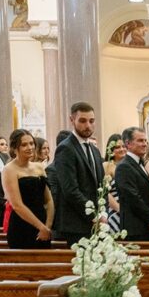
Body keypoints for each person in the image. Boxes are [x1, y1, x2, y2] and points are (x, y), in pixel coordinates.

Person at [54, 102, 105, 246]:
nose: (88, 125)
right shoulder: (65, 148)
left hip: (96, 222)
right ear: (72, 120)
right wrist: (93, 215)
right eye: (82, 121)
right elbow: (70, 190)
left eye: (91, 121)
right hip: (76, 223)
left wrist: (102, 213)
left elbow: (101, 186)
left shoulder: (94, 150)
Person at [2, 129, 54, 249]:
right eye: (24, 145)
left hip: (43, 224)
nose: (30, 147)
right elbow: (17, 205)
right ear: (15, 148)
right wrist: (40, 227)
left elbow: (49, 200)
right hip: (21, 225)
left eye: (31, 143)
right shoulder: (9, 169)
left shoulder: (39, 167)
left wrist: (47, 226)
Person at [114, 126, 149, 241]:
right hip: (134, 227)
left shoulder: (141, 162)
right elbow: (132, 198)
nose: (144, 144)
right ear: (128, 144)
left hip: (145, 225)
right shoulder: (124, 166)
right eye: (140, 141)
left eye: (145, 140)